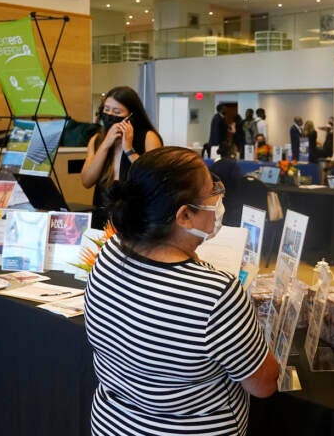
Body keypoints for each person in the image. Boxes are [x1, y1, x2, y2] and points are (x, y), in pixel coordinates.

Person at [84, 146, 278, 436]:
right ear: (184, 216)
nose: (218, 196)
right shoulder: (216, 293)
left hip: (113, 424)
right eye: (212, 189)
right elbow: (264, 384)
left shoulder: (110, 253)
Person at [81, 86, 162, 229]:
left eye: (117, 112)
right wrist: (105, 145)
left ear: (131, 116)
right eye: (106, 110)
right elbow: (87, 180)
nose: (110, 115)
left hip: (136, 214)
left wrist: (129, 150)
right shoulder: (96, 140)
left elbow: (154, 178)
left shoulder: (148, 137)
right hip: (102, 213)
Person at [210, 141, 244, 227]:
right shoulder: (233, 166)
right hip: (231, 208)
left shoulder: (214, 165)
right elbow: (239, 185)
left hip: (216, 205)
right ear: (232, 152)